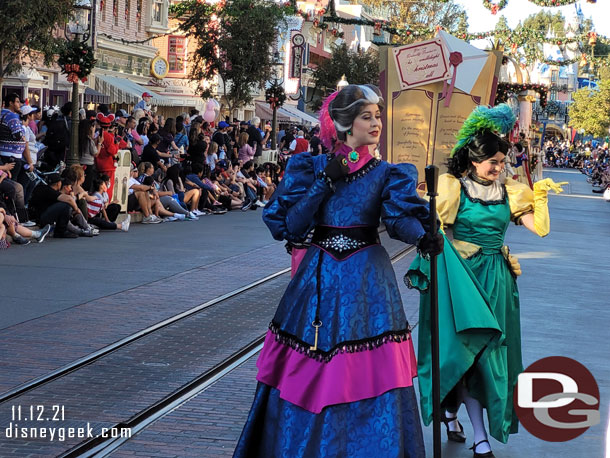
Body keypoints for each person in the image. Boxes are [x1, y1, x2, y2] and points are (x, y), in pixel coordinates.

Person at [233, 85, 442, 457]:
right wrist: (324, 182)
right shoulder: (309, 168)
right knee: (312, 372)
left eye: (378, 115)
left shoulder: (387, 174)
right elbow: (292, 227)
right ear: (345, 124)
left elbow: (397, 220)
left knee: (369, 376)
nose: (376, 122)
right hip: (318, 285)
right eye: (367, 116)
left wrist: (424, 235)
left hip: (368, 286)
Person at [406, 105, 567, 458]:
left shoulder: (510, 192)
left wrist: (539, 194)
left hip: (497, 281)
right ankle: (479, 437)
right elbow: (437, 235)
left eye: (501, 162)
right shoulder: (452, 189)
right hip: (462, 283)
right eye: (492, 162)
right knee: (466, 353)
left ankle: (453, 414)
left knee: (488, 357)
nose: (498, 168)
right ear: (473, 161)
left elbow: (539, 229)